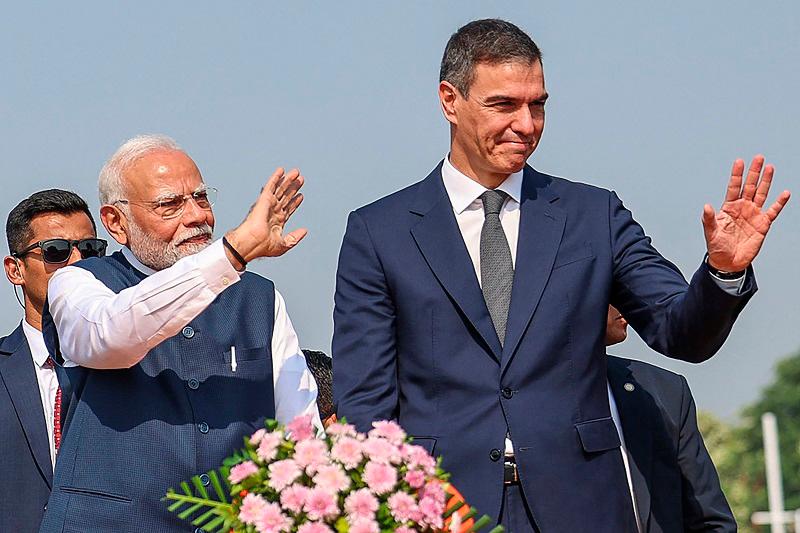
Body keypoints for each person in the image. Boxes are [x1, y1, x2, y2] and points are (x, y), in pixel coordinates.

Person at [332, 18, 789, 532]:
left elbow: (679, 330)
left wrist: (723, 271)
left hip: (583, 506)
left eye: (538, 104)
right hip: (440, 508)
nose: (526, 124)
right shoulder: (379, 232)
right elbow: (365, 404)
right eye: (504, 104)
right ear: (449, 101)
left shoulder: (594, 215)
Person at [38, 134, 320, 532]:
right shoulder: (77, 284)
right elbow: (112, 337)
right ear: (116, 223)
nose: (197, 216)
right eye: (170, 204)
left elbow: (301, 435)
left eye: (202, 199)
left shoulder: (259, 299)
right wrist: (231, 254)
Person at [0, 190, 106, 533]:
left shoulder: (137, 365)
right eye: (56, 252)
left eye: (90, 249)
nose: (77, 263)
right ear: (15, 269)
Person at [605, 306, 737, 532]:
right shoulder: (527, 398)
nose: (624, 303)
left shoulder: (665, 391)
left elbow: (710, 521)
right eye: (609, 289)